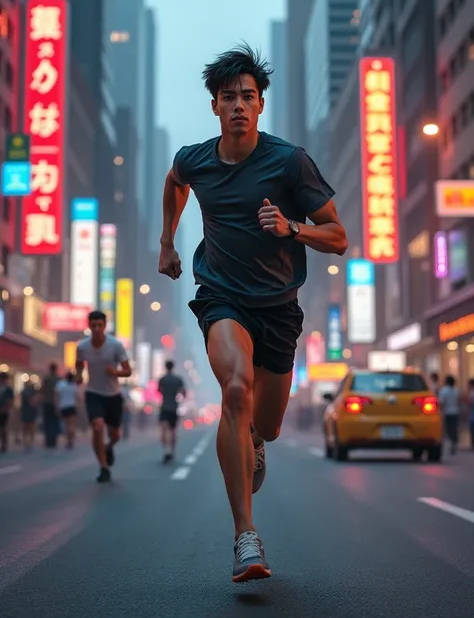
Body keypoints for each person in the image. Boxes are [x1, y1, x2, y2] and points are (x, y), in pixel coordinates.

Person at [158, 44, 347, 582]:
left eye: (247, 96)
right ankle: (246, 537)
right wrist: (167, 243)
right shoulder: (195, 158)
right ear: (214, 107)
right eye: (227, 97)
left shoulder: (289, 161)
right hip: (221, 296)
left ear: (261, 105)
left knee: (267, 423)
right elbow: (175, 182)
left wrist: (292, 228)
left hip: (278, 308)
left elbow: (339, 237)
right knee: (235, 390)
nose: (238, 105)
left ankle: (256, 440)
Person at [75, 310, 132, 482]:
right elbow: (78, 365)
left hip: (113, 395)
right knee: (98, 426)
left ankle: (109, 446)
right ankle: (104, 467)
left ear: (105, 326)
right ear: (89, 326)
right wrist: (78, 376)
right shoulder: (82, 347)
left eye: (100, 325)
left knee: (115, 435)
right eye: (94, 325)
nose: (97, 329)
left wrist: (114, 372)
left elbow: (128, 371)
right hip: (94, 393)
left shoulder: (115, 345)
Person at [158, 360, 186, 464]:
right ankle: (172, 451)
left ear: (165, 367)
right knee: (173, 431)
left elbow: (159, 391)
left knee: (164, 430)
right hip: (174, 408)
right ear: (173, 367)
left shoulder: (162, 379)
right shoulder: (178, 379)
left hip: (164, 407)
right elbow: (183, 392)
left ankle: (166, 451)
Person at [55, 371, 80, 449]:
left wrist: (57, 406)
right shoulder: (74, 386)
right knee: (72, 425)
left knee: (66, 425)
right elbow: (78, 397)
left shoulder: (61, 384)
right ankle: (71, 440)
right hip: (72, 406)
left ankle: (68, 440)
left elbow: (56, 395)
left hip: (63, 406)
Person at [439, 374, 462, 455]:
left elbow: (441, 403)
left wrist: (440, 412)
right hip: (455, 412)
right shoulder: (457, 391)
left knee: (447, 430)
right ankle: (454, 441)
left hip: (447, 413)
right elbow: (459, 402)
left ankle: (451, 442)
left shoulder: (444, 391)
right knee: (454, 429)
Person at [41, 362, 60, 448]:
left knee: (47, 422)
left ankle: (48, 440)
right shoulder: (58, 379)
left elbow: (42, 389)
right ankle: (54, 440)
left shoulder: (46, 378)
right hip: (56, 403)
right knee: (55, 421)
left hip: (47, 402)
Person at [20, 380, 39, 452]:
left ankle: (26, 443)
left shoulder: (23, 392)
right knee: (31, 427)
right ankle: (30, 443)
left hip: (25, 411)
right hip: (31, 411)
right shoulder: (32, 392)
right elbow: (34, 402)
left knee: (25, 428)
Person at [0, 372, 14, 453]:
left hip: (4, 411)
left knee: (3, 427)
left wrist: (6, 408)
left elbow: (10, 401)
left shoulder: (8, 389)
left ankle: (4, 444)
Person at [467, 379, 474, 450]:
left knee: (472, 430)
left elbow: (469, 402)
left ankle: (472, 444)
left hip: (472, 415)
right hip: (472, 414)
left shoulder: (471, 393)